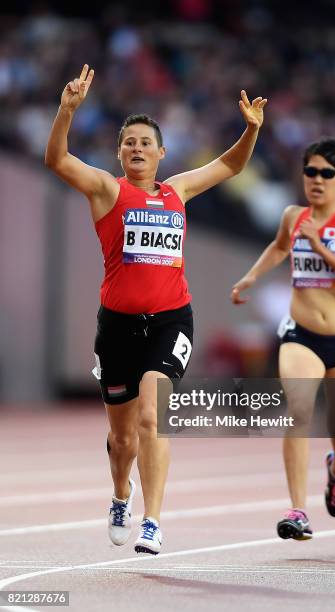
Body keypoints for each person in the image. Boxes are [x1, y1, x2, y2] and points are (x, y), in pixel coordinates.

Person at [45, 64, 267, 555]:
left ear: (162, 153)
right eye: (129, 143)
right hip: (118, 327)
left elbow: (230, 166)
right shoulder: (108, 190)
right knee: (122, 440)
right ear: (120, 153)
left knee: (153, 418)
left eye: (146, 142)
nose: (138, 149)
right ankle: (121, 495)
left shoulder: (178, 190)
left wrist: (250, 130)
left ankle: (153, 520)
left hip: (171, 320)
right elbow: (58, 160)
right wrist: (66, 111)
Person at [231, 138, 335, 540]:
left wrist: (320, 248)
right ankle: (298, 510)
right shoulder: (293, 216)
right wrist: (251, 276)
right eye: (310, 171)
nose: (316, 179)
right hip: (301, 335)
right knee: (298, 412)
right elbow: (279, 248)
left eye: (326, 173)